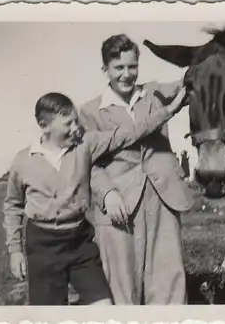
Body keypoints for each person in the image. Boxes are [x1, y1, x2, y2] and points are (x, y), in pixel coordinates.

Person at [2, 89, 186, 306]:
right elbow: (13, 206)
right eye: (67, 124)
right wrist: (15, 251)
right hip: (43, 246)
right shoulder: (24, 161)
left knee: (103, 309)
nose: (76, 129)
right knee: (48, 315)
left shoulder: (85, 145)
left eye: (76, 121)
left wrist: (169, 110)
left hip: (80, 243)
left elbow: (128, 132)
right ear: (44, 126)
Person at [79, 34, 194, 305]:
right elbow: (86, 161)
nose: (127, 74)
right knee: (121, 288)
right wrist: (107, 194)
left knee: (169, 286)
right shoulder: (90, 112)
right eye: (119, 68)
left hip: (163, 199)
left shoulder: (154, 93)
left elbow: (191, 83)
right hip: (118, 205)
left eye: (133, 67)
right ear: (105, 69)